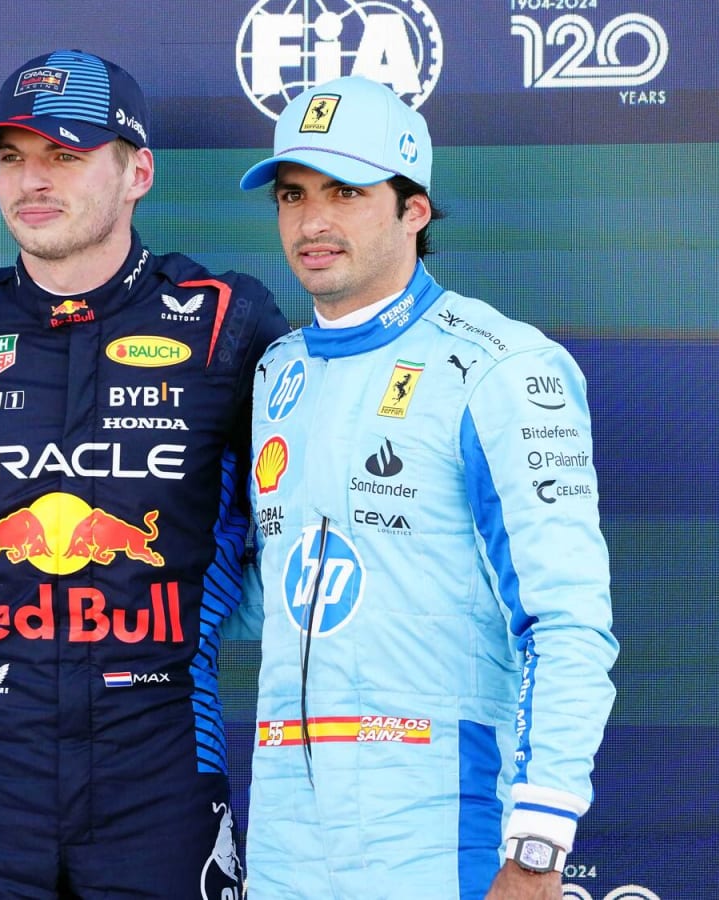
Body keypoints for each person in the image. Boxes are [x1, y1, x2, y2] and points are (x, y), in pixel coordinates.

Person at [0, 49, 288, 899]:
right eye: (12, 158)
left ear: (137, 172)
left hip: (159, 768)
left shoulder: (226, 321)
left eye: (66, 154)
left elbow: (303, 511)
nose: (31, 181)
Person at [235, 76, 618, 899]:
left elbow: (568, 620)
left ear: (414, 209)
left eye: (346, 192)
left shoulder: (503, 367)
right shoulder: (278, 372)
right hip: (284, 825)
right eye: (293, 195)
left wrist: (540, 841)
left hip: (442, 811)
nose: (312, 222)